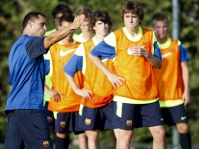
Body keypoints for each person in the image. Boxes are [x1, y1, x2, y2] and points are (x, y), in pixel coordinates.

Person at [88, 1, 166, 149]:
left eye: (134, 16)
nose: (130, 20)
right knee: (125, 136)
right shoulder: (116, 37)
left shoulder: (150, 35)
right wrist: (109, 74)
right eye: (127, 16)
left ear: (140, 18)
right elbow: (93, 55)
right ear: (123, 18)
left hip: (149, 96)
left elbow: (159, 63)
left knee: (160, 133)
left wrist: (145, 54)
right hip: (125, 96)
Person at [4, 11, 84, 149]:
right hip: (30, 107)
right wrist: (72, 26)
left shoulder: (16, 47)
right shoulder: (31, 43)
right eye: (42, 24)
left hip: (14, 108)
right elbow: (51, 39)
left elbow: (11, 81)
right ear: (30, 24)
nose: (45, 28)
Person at [64, 10, 114, 149]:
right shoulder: (84, 47)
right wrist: (77, 89)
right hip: (92, 98)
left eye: (105, 23)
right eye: (99, 23)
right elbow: (68, 70)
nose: (103, 26)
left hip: (114, 97)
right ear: (93, 26)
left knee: (119, 134)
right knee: (92, 135)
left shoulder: (115, 45)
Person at [151, 12, 191, 149]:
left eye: (164, 27)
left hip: (175, 97)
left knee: (183, 127)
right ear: (153, 28)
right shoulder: (149, 48)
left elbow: (185, 68)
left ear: (168, 27)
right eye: (158, 27)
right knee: (159, 134)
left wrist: (186, 91)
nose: (161, 30)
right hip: (156, 98)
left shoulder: (177, 45)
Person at [47, 14, 87, 149]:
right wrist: (48, 90)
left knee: (85, 134)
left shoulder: (82, 46)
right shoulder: (52, 49)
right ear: (59, 28)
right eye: (66, 28)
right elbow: (36, 72)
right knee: (61, 133)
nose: (69, 32)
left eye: (72, 28)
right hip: (62, 101)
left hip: (81, 100)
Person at [43, 4, 74, 134]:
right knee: (46, 130)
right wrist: (47, 89)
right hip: (46, 95)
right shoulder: (46, 38)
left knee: (65, 132)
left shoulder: (75, 40)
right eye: (56, 18)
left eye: (62, 18)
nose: (59, 20)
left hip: (68, 95)